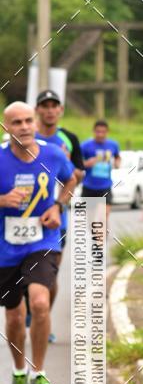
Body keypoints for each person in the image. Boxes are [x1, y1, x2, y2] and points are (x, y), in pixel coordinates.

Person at [0, 102, 76, 384]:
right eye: (16, 122)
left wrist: (58, 206)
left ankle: (38, 373)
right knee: (14, 315)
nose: (24, 127)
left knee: (40, 303)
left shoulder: (53, 154)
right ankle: (19, 371)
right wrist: (2, 200)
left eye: (28, 120)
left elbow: (71, 179)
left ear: (35, 123)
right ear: (6, 128)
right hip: (5, 249)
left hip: (42, 240)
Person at [35, 89, 85, 341]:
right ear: (38, 110)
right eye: (45, 106)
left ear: (61, 110)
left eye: (54, 106)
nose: (50, 110)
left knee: (49, 273)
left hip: (56, 217)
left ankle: (43, 318)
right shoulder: (25, 136)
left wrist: (65, 164)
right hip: (20, 219)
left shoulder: (69, 139)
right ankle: (28, 308)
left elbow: (79, 175)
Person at [81, 119, 120, 228]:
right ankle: (99, 236)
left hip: (105, 187)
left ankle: (101, 238)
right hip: (89, 187)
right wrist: (87, 163)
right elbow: (77, 163)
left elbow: (117, 157)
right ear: (93, 131)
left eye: (103, 132)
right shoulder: (85, 146)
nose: (100, 134)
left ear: (107, 132)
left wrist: (117, 163)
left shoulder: (113, 145)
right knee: (91, 223)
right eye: (98, 132)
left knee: (102, 217)